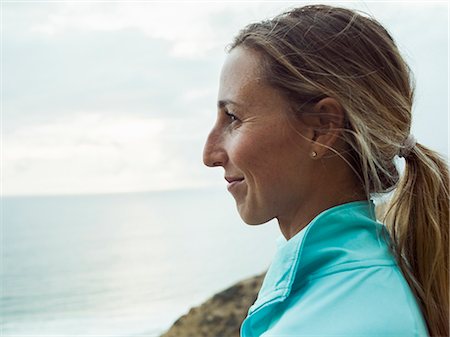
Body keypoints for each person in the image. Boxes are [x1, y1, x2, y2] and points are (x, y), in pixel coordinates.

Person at [203, 4, 448, 337]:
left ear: (321, 126)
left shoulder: (353, 321)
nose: (210, 154)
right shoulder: (349, 286)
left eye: (233, 118)